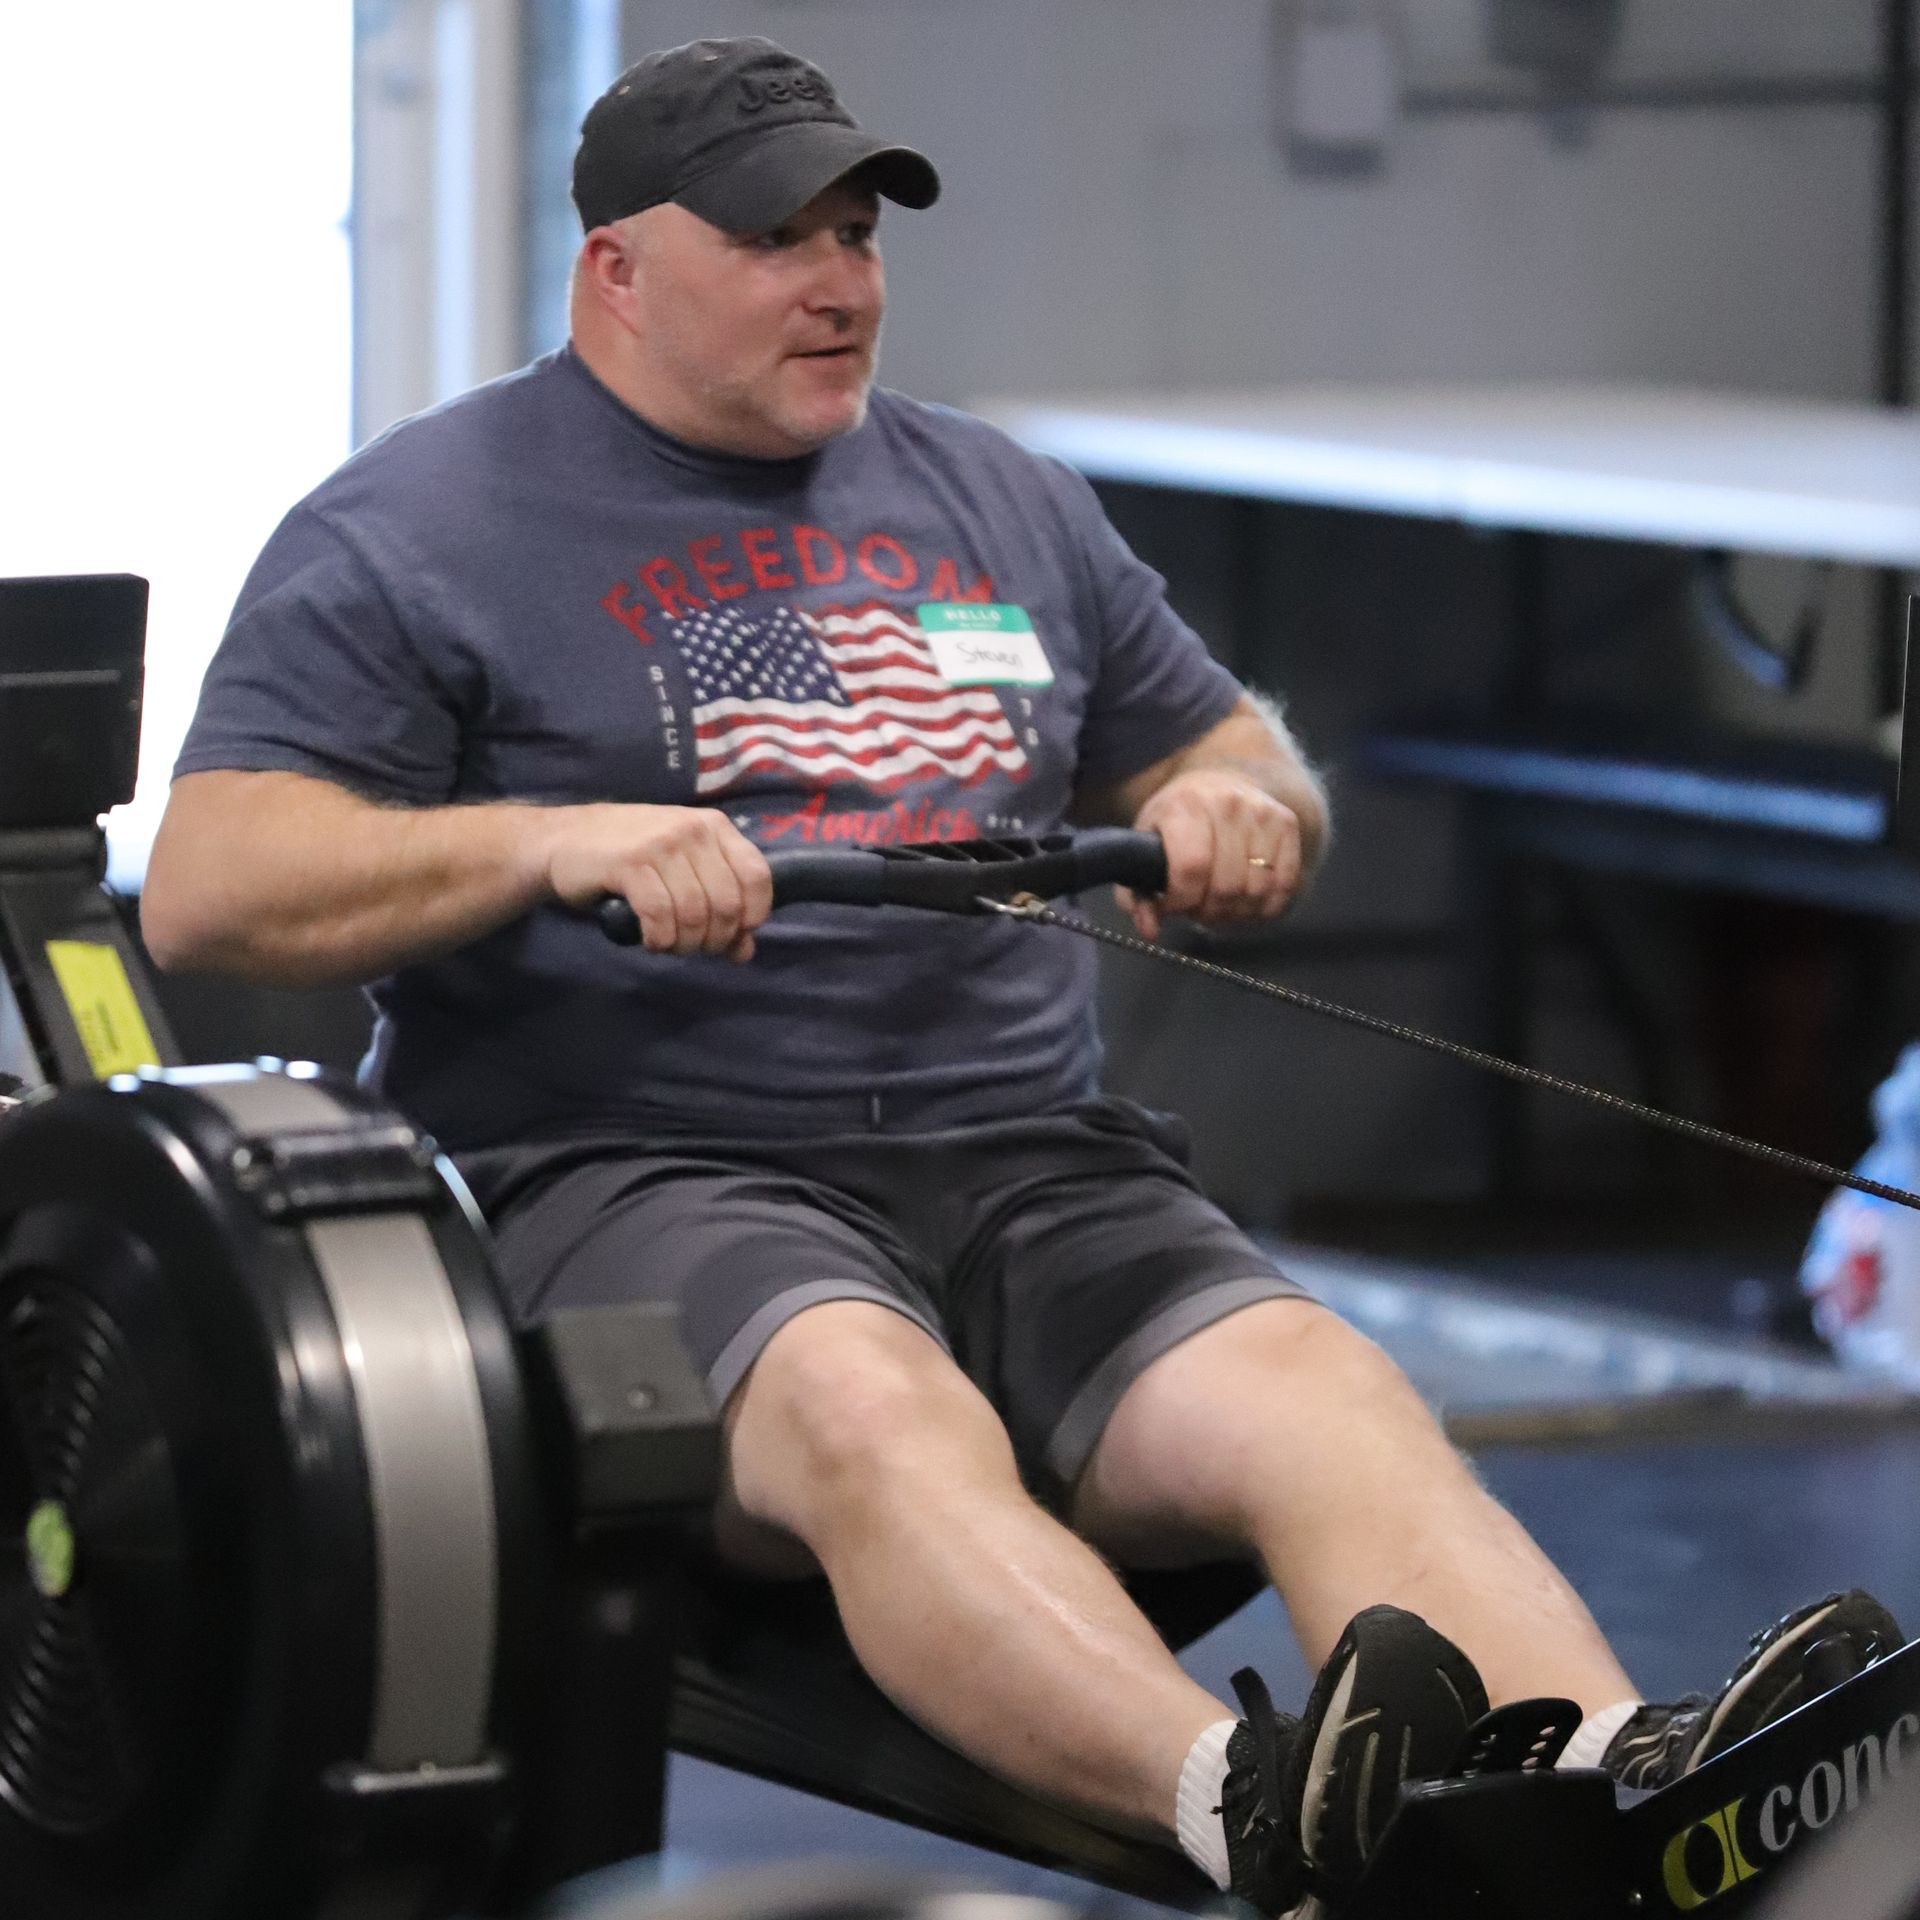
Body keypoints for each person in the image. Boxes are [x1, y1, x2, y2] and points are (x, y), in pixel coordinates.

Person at [140, 35, 1902, 1916]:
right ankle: (1250, 1811)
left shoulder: (997, 499)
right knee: (877, 1413)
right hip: (642, 1175)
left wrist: (1237, 804)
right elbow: (210, 888)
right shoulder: (422, 524)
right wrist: (546, 838)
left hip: (1032, 1164)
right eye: (775, 241)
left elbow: (1230, 747)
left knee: (1327, 1396)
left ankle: (1612, 1819)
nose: (839, 283)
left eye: (856, 235)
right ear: (618, 272)